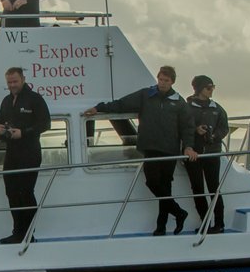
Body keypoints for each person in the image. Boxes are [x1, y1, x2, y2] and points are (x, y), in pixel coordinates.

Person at [82, 65, 199, 235]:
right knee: (152, 182)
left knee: (165, 188)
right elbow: (122, 104)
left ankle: (161, 227)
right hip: (151, 147)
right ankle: (179, 212)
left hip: (169, 149)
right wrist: (99, 108)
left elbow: (187, 127)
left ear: (172, 82)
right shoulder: (146, 95)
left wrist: (188, 146)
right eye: (160, 79)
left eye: (166, 80)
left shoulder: (179, 102)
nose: (163, 83)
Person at [0, 67, 50, 244]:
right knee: (11, 192)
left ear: (23, 79)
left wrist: (23, 133)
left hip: (30, 152)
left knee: (26, 192)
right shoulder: (6, 101)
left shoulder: (35, 99)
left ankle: (28, 234)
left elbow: (45, 123)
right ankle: (18, 231)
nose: (12, 85)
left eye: (15, 81)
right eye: (9, 82)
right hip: (12, 153)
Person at [185, 75, 229, 234]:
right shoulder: (187, 107)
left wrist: (214, 136)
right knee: (197, 189)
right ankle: (205, 223)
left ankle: (219, 224)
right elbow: (182, 128)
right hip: (193, 154)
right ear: (199, 89)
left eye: (213, 87)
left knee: (213, 189)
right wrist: (196, 131)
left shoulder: (217, 108)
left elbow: (224, 128)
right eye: (208, 87)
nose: (211, 90)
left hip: (212, 153)